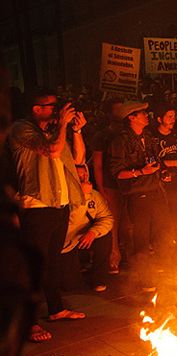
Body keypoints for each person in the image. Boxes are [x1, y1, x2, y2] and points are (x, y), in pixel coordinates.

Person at [7, 88, 87, 342]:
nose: (56, 111)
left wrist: (75, 130)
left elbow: (77, 157)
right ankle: (28, 323)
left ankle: (56, 309)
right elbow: (52, 151)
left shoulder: (55, 132)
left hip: (59, 205)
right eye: (52, 107)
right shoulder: (21, 129)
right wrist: (62, 124)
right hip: (37, 206)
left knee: (52, 262)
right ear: (36, 109)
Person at [109, 101, 173, 291]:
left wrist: (162, 172)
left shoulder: (148, 136)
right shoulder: (120, 141)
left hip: (155, 190)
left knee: (163, 233)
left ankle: (164, 273)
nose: (147, 116)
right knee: (142, 238)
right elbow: (117, 172)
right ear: (131, 118)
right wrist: (140, 172)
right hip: (138, 194)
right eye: (142, 113)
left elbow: (156, 162)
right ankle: (145, 278)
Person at [60, 164, 114, 292]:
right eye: (78, 175)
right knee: (70, 286)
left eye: (84, 174)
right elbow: (72, 221)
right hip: (66, 242)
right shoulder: (62, 196)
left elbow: (107, 218)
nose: (83, 178)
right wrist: (82, 195)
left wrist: (93, 232)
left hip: (86, 237)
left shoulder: (94, 195)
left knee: (105, 237)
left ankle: (98, 279)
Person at [151, 104, 177, 250]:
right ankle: (163, 251)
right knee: (163, 220)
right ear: (159, 119)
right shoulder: (151, 138)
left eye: (174, 116)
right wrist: (171, 163)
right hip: (158, 186)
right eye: (169, 116)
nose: (172, 119)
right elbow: (150, 160)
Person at [91, 98, 124, 274]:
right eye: (118, 110)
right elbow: (97, 164)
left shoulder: (127, 133)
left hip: (128, 184)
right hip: (111, 185)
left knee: (129, 223)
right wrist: (101, 188)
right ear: (110, 114)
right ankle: (113, 255)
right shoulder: (102, 136)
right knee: (114, 222)